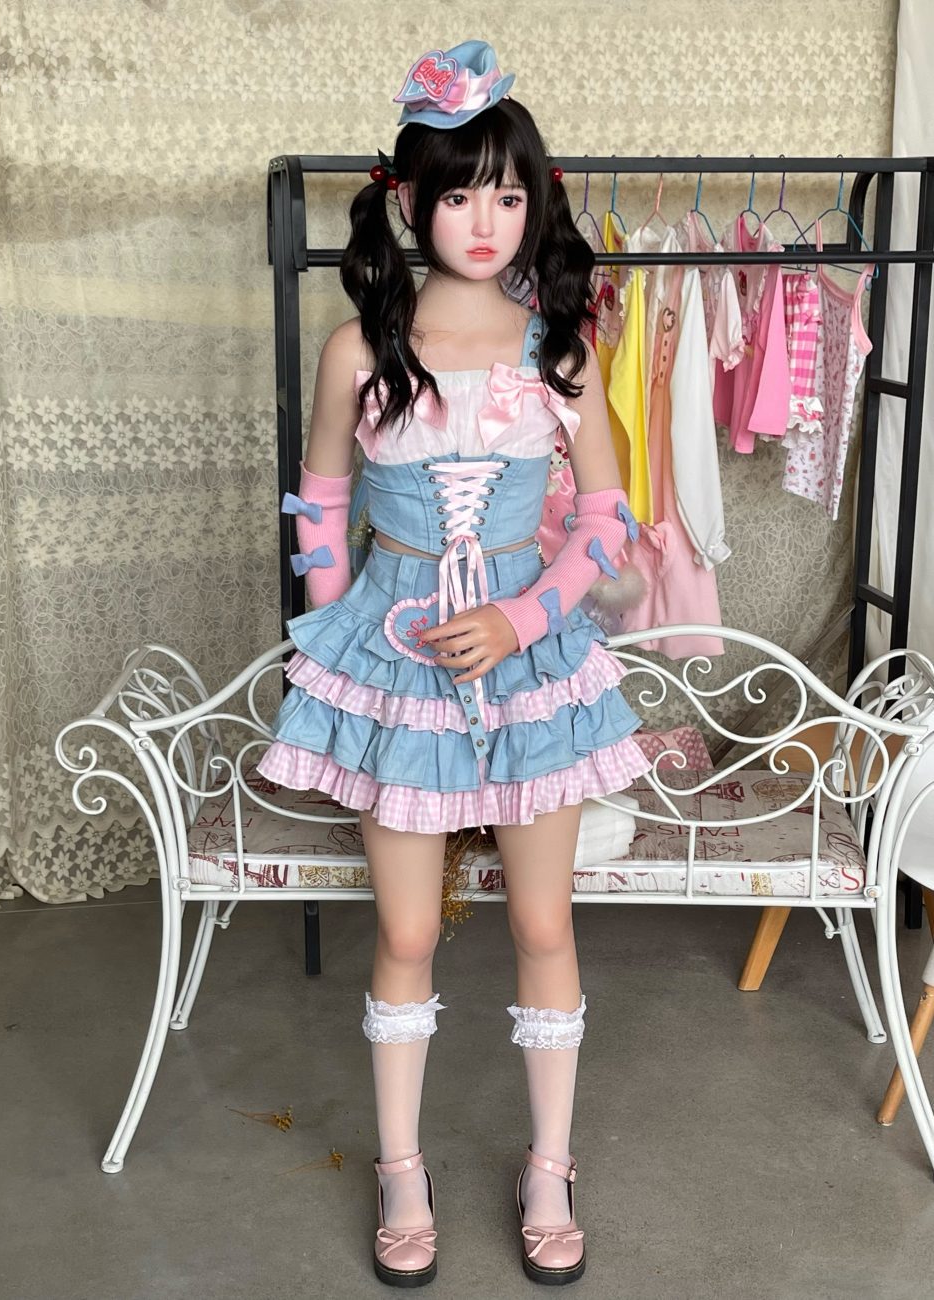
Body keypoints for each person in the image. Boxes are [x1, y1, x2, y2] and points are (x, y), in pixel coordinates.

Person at [256, 39, 651, 1287]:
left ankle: (550, 1165)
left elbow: (607, 522)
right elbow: (322, 510)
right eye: (462, 192)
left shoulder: (559, 348)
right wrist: (344, 658)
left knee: (542, 916)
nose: (487, 220)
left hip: (532, 665)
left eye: (511, 194)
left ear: (538, 203)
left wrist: (526, 620)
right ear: (411, 199)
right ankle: (398, 1167)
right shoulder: (357, 350)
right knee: (409, 927)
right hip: (398, 666)